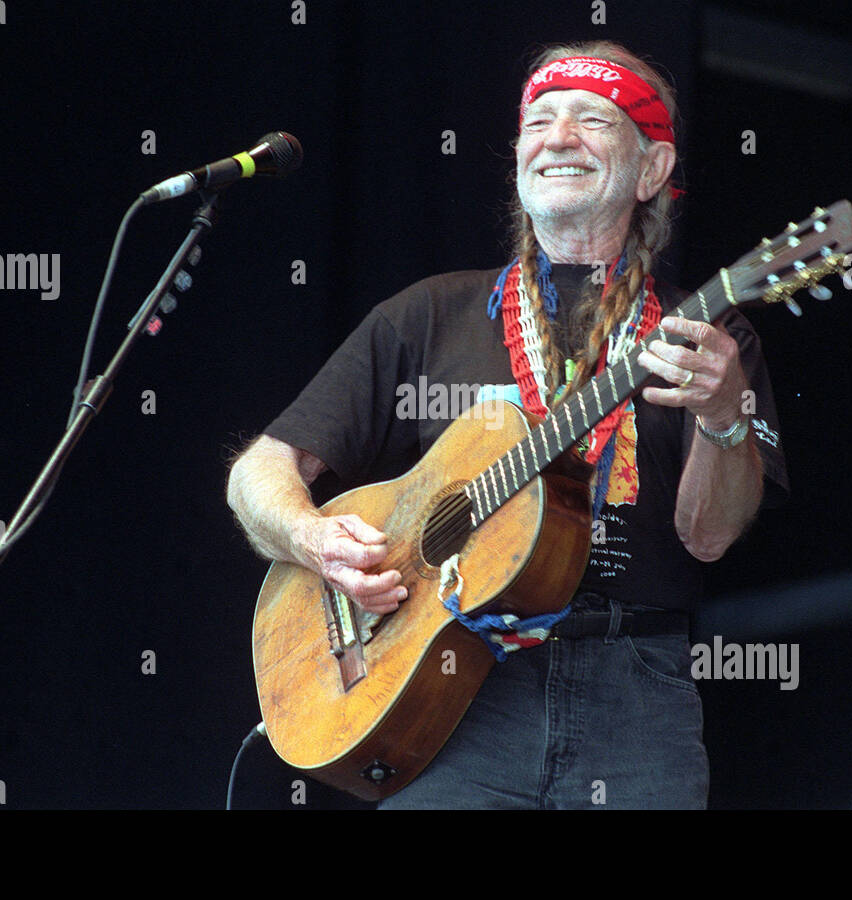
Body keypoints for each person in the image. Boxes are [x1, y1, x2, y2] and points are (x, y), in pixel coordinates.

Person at [227, 41, 788, 808]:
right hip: (452, 687)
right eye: (539, 120)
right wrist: (313, 539)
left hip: (635, 699)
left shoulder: (708, 338)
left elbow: (711, 536)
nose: (558, 137)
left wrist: (725, 416)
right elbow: (261, 469)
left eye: (594, 119)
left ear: (653, 170)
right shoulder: (431, 313)